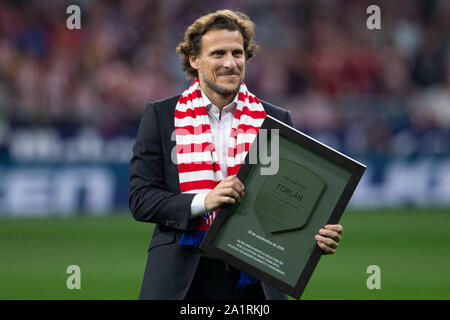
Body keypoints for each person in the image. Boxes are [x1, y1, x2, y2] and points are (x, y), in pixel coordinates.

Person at [129, 9, 343, 300]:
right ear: (194, 59)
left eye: (237, 53)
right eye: (218, 54)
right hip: (182, 276)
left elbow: (289, 204)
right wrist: (205, 201)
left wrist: (315, 237)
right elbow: (141, 200)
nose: (230, 63)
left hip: (255, 279)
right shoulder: (161, 116)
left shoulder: (275, 120)